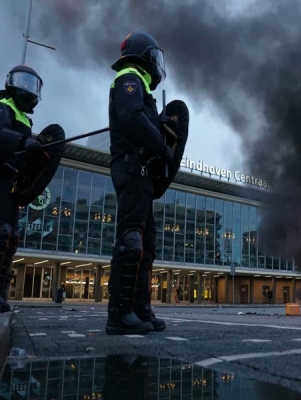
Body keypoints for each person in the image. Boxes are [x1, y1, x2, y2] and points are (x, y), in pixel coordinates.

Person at [106, 31, 189, 335]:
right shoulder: (129, 77)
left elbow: (143, 119)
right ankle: (119, 313)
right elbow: (132, 119)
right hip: (130, 169)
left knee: (146, 244)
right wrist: (162, 145)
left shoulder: (139, 84)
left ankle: (140, 308)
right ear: (146, 55)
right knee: (130, 242)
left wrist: (163, 127)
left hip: (141, 174)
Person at [0, 65, 65, 313]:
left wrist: (39, 150)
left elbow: (27, 156)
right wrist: (24, 142)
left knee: (11, 238)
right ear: (11, 84)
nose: (29, 89)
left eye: (33, 85)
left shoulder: (24, 118)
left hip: (13, 184)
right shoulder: (0, 108)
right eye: (24, 82)